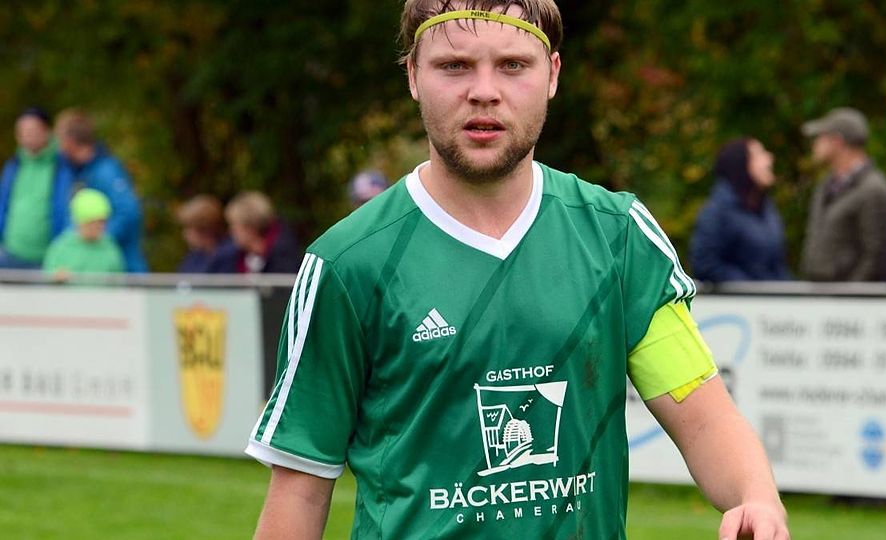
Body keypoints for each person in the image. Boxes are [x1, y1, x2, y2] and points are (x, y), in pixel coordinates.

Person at [246, 2, 789, 540]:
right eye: (454, 65)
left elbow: (702, 412)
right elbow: (300, 489)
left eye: (512, 65)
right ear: (412, 75)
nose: (484, 91)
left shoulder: (618, 236)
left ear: (552, 74)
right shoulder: (346, 264)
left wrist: (757, 499)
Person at [800, 108, 886, 281]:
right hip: (818, 292)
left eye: (820, 138)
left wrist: (851, 292)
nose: (815, 145)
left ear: (837, 141)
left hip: (849, 296)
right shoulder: (824, 186)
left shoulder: (874, 189)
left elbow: (876, 253)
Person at [55, 109, 148, 273]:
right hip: (92, 272)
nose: (58, 146)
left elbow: (128, 213)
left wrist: (96, 240)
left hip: (122, 270)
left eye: (59, 140)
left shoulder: (106, 171)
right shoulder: (77, 171)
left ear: (70, 141)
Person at [690, 138, 790, 282]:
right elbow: (705, 265)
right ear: (741, 164)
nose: (769, 158)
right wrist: (752, 288)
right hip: (739, 296)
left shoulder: (766, 209)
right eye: (760, 154)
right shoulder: (717, 212)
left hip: (769, 295)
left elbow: (777, 266)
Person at [0, 108, 74, 269]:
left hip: (48, 258)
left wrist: (62, 252)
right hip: (9, 254)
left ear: (47, 131)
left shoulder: (64, 165)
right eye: (21, 131)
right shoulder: (13, 165)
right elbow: (4, 205)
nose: (26, 136)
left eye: (32, 130)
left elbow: (67, 211)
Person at [208, 191, 301, 274]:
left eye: (234, 226)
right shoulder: (232, 256)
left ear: (250, 228)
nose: (230, 231)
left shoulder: (285, 258)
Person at [43, 188, 124, 277]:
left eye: (102, 222)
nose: (99, 228)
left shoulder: (110, 249)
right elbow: (47, 276)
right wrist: (56, 277)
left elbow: (118, 279)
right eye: (93, 223)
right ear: (80, 222)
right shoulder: (61, 248)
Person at [176, 194, 228, 273]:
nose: (185, 234)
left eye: (188, 227)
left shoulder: (228, 256)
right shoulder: (194, 256)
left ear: (205, 229)